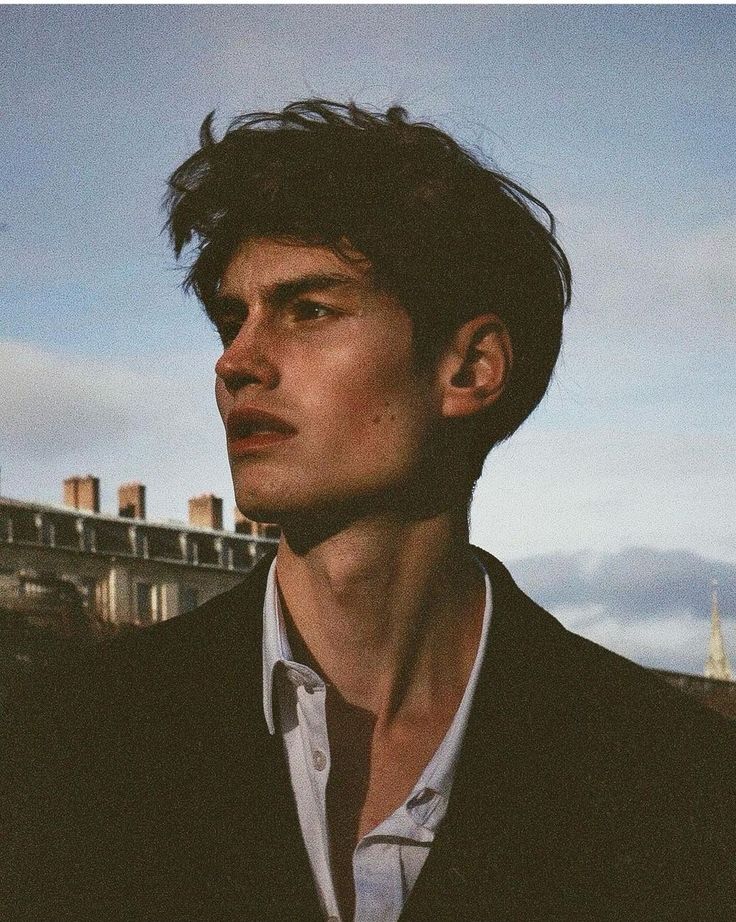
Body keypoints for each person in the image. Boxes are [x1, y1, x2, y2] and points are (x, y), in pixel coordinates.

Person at [3, 100, 735, 922]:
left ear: (469, 369)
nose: (235, 360)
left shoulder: (681, 780)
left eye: (307, 310)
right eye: (230, 318)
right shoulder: (58, 743)